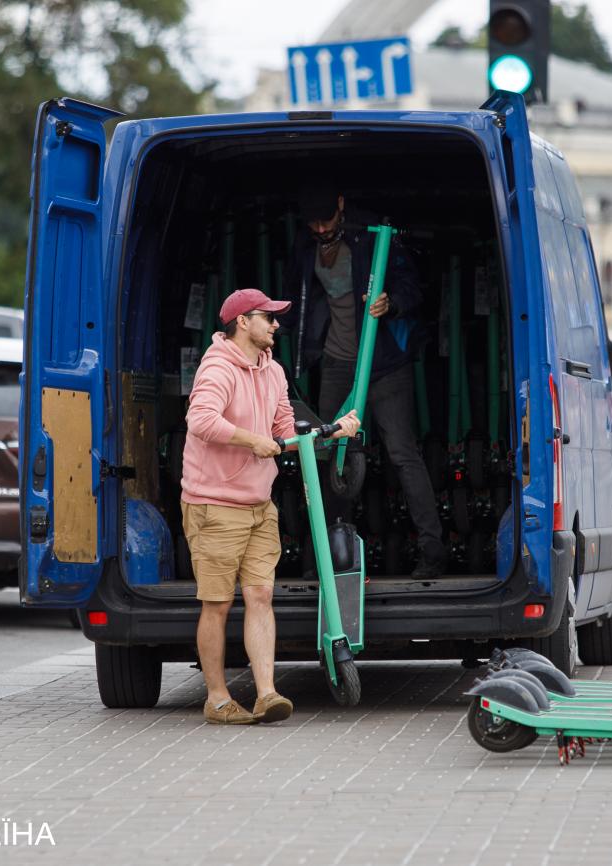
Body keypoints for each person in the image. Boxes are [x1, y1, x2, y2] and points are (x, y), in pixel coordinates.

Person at [182, 288, 360, 724]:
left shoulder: (273, 371)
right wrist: (251, 439)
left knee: (261, 595)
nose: (277, 325)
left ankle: (266, 693)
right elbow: (200, 420)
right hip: (215, 504)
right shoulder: (218, 368)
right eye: (269, 317)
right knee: (218, 604)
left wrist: (331, 431)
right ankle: (218, 699)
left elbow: (284, 426)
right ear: (242, 322)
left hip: (260, 503)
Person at [285, 185, 447, 578]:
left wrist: (391, 302)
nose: (321, 228)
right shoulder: (306, 247)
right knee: (328, 457)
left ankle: (432, 554)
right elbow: (297, 299)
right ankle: (326, 560)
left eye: (327, 219)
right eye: (314, 223)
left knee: (402, 453)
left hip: (384, 364)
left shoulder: (373, 236)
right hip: (338, 364)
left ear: (341, 204)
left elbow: (413, 287)